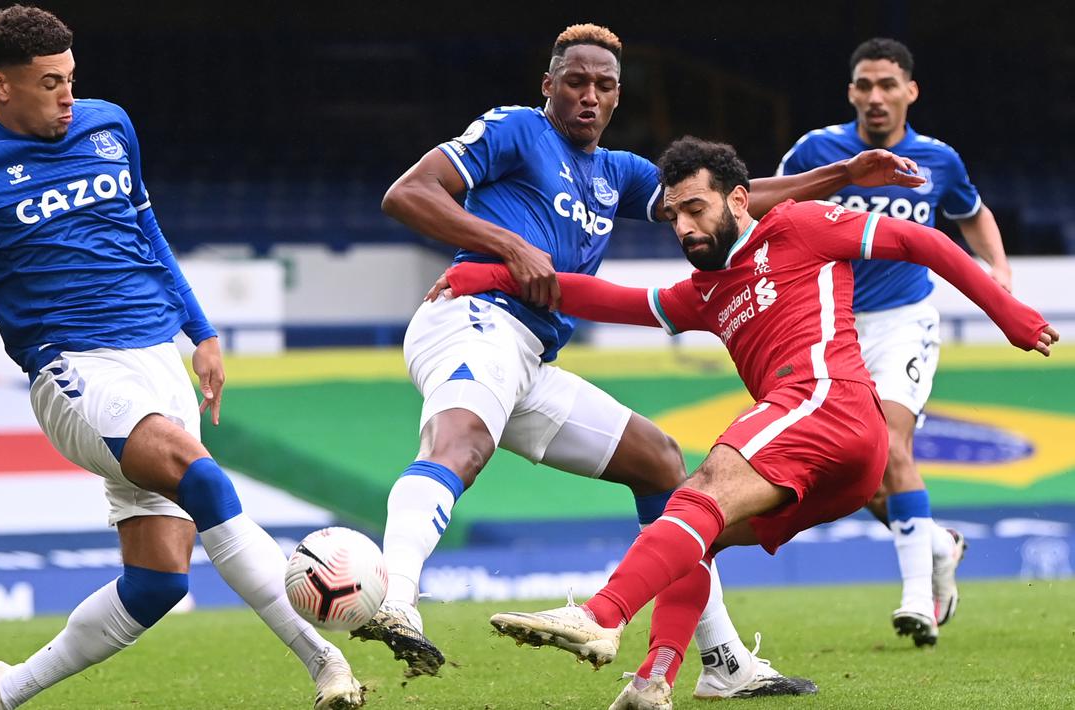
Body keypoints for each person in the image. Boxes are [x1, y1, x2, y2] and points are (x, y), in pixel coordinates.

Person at [355, 21, 922, 699]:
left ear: (618, 96)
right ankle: (396, 599)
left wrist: (838, 174)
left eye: (603, 85)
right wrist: (506, 246)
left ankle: (723, 662)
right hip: (472, 318)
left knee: (658, 461)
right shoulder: (512, 129)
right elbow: (407, 193)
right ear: (548, 86)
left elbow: (717, 197)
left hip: (531, 353)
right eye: (575, 81)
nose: (588, 96)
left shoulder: (616, 173)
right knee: (461, 444)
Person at [0, 7, 363, 710]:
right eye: (50, 83)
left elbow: (145, 228)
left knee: (157, 584)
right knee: (203, 481)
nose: (67, 96)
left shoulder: (108, 124)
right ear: (1, 85)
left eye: (71, 78)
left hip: (158, 361)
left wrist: (201, 330)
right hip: (76, 372)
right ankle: (326, 662)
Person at [438, 136, 1056, 710]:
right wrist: (483, 275)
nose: (684, 226)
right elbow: (602, 298)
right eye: (675, 215)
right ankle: (657, 677)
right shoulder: (703, 292)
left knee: (698, 490)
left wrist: (1010, 315)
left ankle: (602, 614)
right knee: (696, 534)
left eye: (697, 209)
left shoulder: (799, 226)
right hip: (838, 464)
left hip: (829, 401)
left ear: (738, 199)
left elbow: (921, 242)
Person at [776, 37, 1012, 646]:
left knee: (891, 444)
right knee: (853, 470)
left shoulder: (939, 160)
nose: (875, 97)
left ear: (911, 91)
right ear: (850, 92)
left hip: (904, 322)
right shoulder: (818, 151)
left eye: (887, 85)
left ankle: (917, 601)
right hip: (829, 328)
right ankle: (937, 545)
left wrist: (999, 273)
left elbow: (973, 212)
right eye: (864, 85)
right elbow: (768, 212)